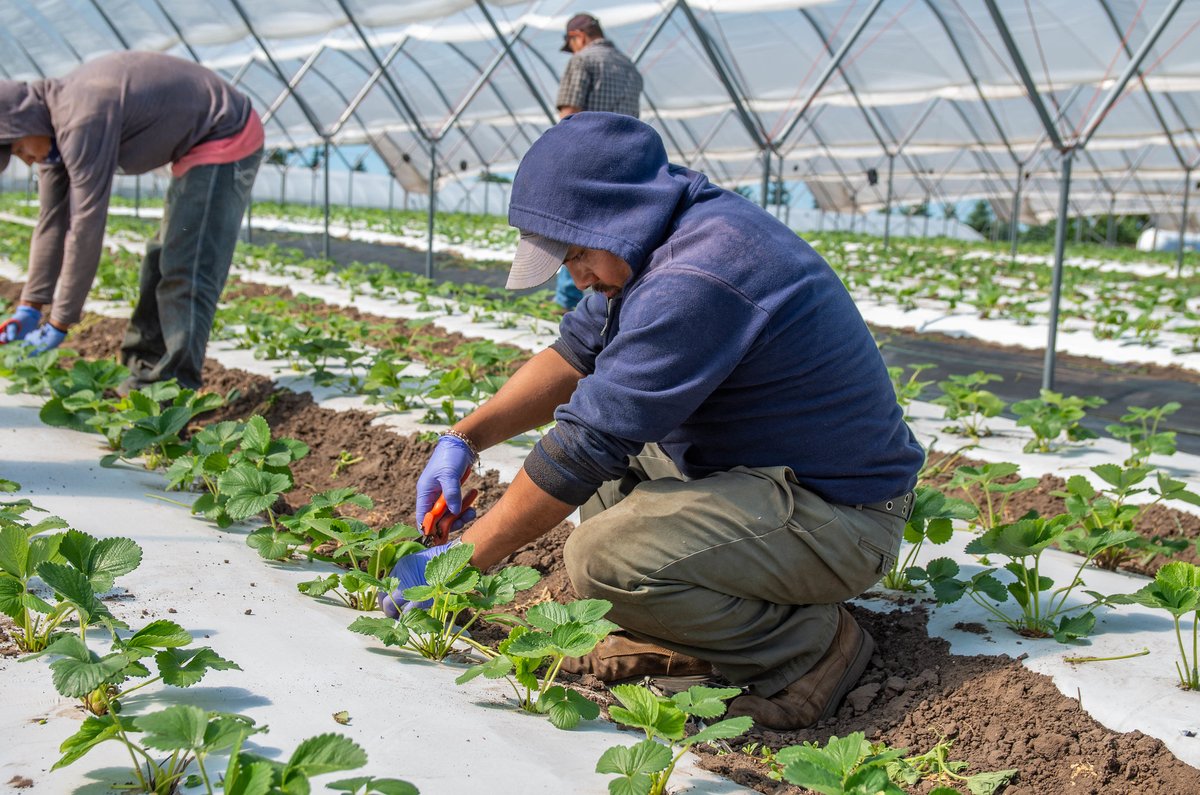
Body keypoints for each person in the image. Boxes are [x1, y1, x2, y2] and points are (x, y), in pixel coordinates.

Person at [383, 112, 924, 731]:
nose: (573, 274)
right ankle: (691, 637)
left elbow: (584, 445)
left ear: (618, 217)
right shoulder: (659, 237)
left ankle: (809, 651)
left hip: (840, 518)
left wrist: (457, 563)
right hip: (764, 481)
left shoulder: (696, 276)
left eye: (577, 253)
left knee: (604, 556)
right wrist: (463, 438)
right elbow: (573, 355)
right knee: (615, 485)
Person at [0, 52, 263, 392]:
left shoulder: (80, 120)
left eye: (20, 149)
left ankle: (173, 389)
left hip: (225, 131)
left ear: (26, 123)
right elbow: (51, 222)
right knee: (158, 260)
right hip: (194, 145)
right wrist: (30, 307)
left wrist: (60, 322)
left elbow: (85, 225)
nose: (27, 160)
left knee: (188, 264)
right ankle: (142, 372)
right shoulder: (50, 137)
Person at [551, 12, 643, 313]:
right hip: (626, 168)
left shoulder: (583, 61)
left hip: (587, 166)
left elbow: (569, 118)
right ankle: (608, 314)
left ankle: (571, 313)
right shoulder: (629, 67)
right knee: (609, 246)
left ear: (578, 37)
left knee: (575, 243)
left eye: (572, 43)